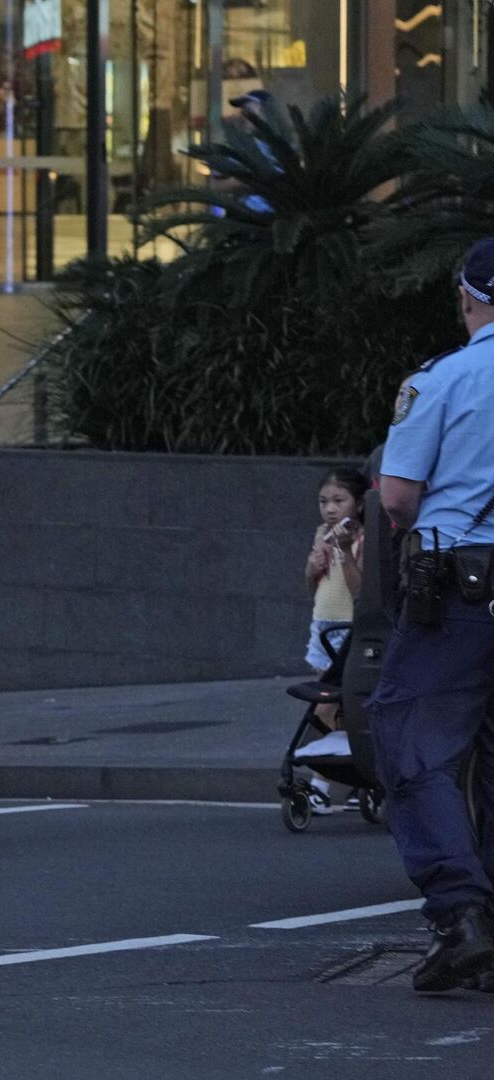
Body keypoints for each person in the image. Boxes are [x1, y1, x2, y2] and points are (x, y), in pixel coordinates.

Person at [364, 237, 494, 995]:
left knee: (411, 738)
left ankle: (461, 914)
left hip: (461, 586)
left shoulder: (443, 379)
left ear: (469, 295)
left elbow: (398, 497)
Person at [295, 466, 368, 812]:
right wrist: (313, 567)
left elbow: (360, 590)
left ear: (358, 503)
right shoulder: (321, 533)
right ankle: (352, 778)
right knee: (335, 706)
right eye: (324, 501)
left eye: (339, 500)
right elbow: (315, 587)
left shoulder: (363, 538)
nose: (330, 508)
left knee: (331, 703)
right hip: (323, 626)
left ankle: (323, 784)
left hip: (349, 629)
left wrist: (343, 551)